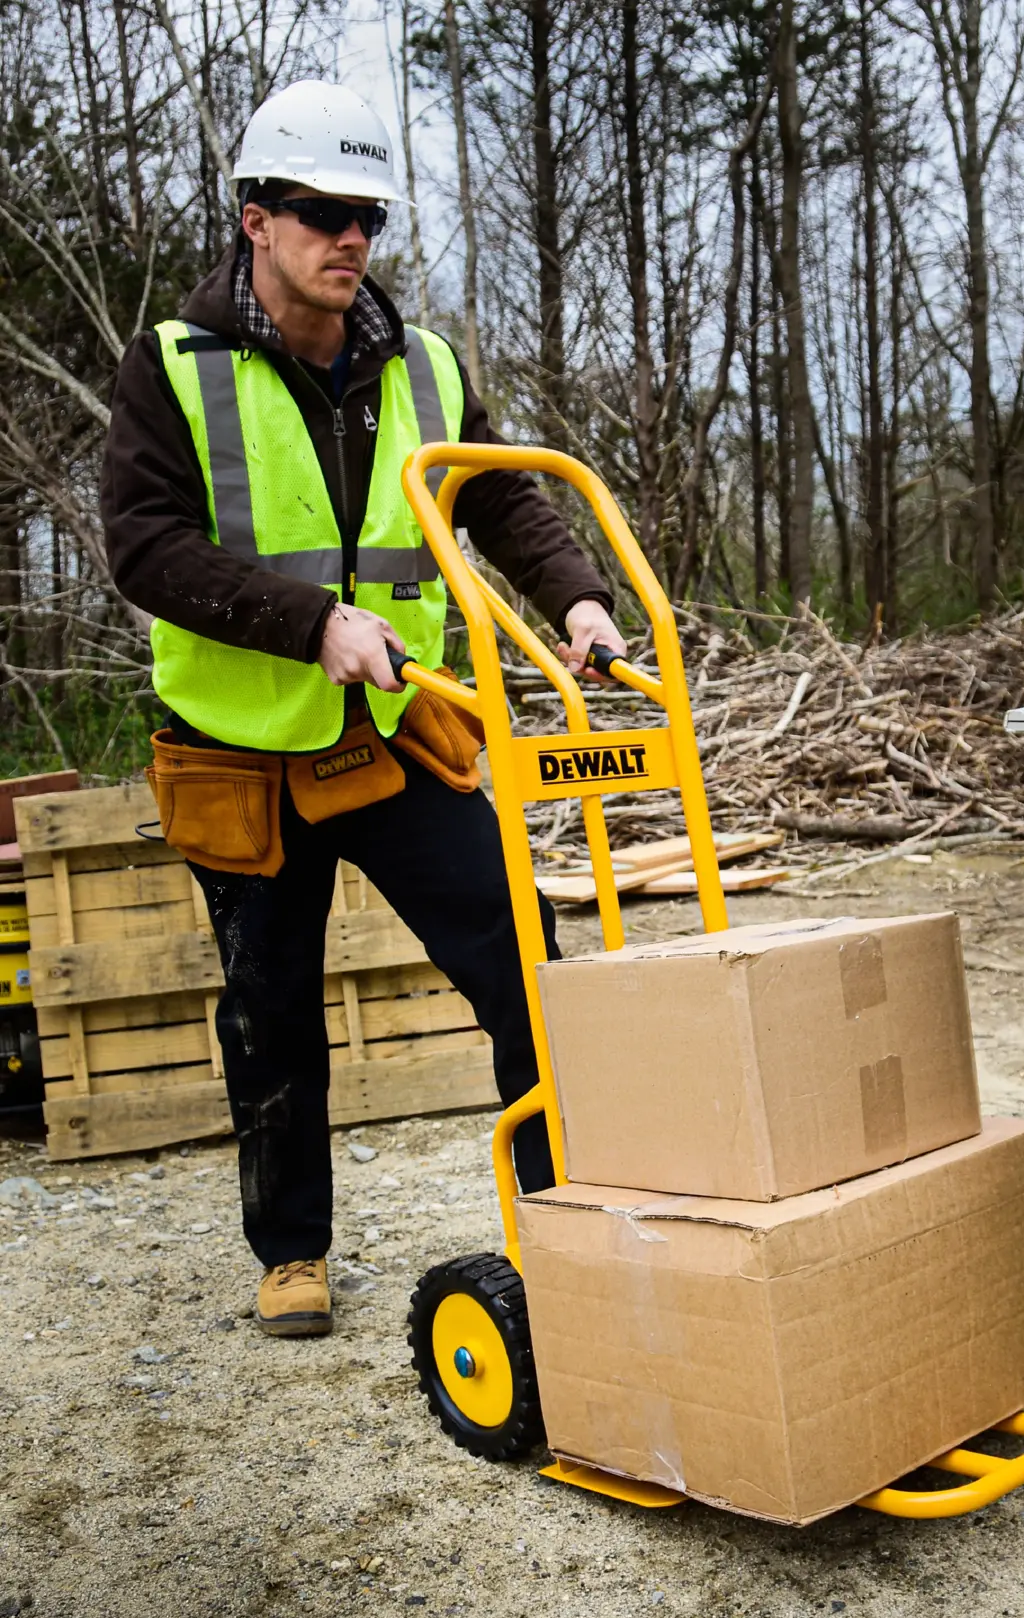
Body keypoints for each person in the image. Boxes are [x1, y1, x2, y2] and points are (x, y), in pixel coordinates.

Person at [100, 81, 625, 1338]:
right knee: (269, 1014)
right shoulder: (175, 366)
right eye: (323, 212)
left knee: (522, 968)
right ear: (255, 220)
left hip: (395, 741)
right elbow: (144, 545)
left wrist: (580, 602)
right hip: (244, 756)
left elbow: (500, 501)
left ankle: (567, 1220)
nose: (351, 239)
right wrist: (312, 625)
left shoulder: (423, 365)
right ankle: (292, 1253)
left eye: (367, 217)